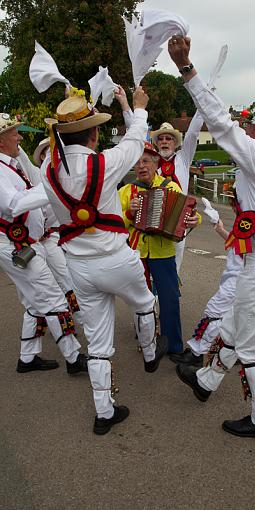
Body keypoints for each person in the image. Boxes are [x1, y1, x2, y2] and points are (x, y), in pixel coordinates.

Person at [168, 35, 255, 440]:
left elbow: (222, 124)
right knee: (234, 323)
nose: (244, 126)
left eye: (251, 123)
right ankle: (206, 382)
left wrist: (187, 69)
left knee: (251, 346)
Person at [40, 87, 168, 435]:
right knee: (144, 302)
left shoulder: (46, 173)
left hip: (79, 266)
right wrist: (138, 108)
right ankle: (148, 353)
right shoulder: (105, 162)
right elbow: (135, 141)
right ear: (95, 133)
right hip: (117, 259)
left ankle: (104, 412)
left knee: (97, 343)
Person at [0, 113, 88, 375]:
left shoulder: (10, 165)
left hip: (25, 244)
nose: (19, 136)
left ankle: (27, 358)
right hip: (16, 245)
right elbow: (13, 204)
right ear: (1, 140)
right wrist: (50, 188)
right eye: (14, 132)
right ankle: (73, 358)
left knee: (34, 302)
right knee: (52, 298)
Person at [119, 141, 200, 355]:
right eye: (137, 163)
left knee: (169, 298)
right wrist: (129, 212)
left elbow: (188, 213)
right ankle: (147, 343)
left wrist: (195, 219)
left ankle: (173, 346)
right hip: (136, 252)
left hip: (163, 253)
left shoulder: (170, 187)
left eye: (146, 161)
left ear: (156, 164)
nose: (141, 166)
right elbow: (113, 222)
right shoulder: (126, 191)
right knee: (141, 300)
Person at [115, 86, 203, 272]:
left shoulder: (183, 158)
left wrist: (204, 97)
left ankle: (168, 290)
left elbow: (194, 132)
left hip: (178, 219)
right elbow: (134, 129)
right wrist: (124, 103)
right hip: (147, 223)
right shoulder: (151, 162)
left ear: (175, 142)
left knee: (174, 265)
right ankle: (151, 296)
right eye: (161, 138)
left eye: (169, 139)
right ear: (156, 143)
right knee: (145, 268)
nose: (164, 141)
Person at [169, 195, 243, 368]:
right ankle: (236, 351)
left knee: (213, 312)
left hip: (240, 279)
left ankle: (197, 354)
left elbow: (248, 247)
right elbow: (239, 244)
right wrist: (220, 229)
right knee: (235, 316)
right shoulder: (250, 218)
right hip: (237, 277)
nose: (233, 206)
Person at [15, 138, 83, 323]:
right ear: (43, 156)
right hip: (31, 242)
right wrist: (10, 133)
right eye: (49, 151)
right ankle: (45, 323)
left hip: (54, 238)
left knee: (66, 278)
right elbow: (21, 156)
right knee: (34, 291)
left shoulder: (68, 178)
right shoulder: (37, 175)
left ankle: (80, 319)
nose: (54, 155)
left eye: (57, 151)